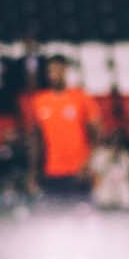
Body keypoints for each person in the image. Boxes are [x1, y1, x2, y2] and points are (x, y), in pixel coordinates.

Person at [25, 55, 101, 206]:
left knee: (83, 215)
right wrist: (32, 173)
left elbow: (97, 134)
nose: (54, 74)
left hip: (79, 171)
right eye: (51, 71)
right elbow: (35, 140)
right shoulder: (39, 101)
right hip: (51, 171)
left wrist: (89, 163)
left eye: (58, 70)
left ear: (65, 71)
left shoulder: (81, 98)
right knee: (56, 215)